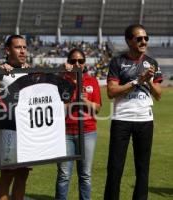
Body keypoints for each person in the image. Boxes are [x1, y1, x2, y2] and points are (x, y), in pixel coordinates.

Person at [104, 24, 162, 200]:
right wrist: (138, 81)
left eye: (146, 38)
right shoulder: (117, 62)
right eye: (139, 38)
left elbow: (158, 95)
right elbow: (111, 92)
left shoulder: (152, 62)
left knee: (143, 168)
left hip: (145, 120)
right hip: (122, 119)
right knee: (115, 168)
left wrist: (150, 81)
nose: (143, 41)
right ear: (129, 41)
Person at [55, 48, 102, 200]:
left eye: (80, 61)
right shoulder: (61, 80)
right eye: (73, 61)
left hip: (88, 132)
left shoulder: (92, 81)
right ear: (68, 62)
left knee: (85, 175)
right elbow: (56, 109)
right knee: (64, 175)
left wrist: (85, 101)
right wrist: (74, 102)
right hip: (65, 133)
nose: (77, 63)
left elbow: (98, 109)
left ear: (84, 63)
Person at [0, 35, 31, 200]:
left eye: (24, 47)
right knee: (7, 174)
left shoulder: (30, 71)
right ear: (8, 50)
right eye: (18, 47)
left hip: (28, 131)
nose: (22, 50)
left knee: (23, 174)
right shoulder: (0, 71)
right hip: (8, 130)